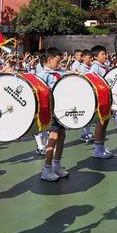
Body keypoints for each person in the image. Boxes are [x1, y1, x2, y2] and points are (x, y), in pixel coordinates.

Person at [37, 47, 69, 181]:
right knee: (54, 136)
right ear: (49, 60)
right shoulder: (44, 74)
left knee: (62, 136)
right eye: (57, 61)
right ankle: (46, 168)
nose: (60, 64)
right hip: (52, 110)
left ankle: (57, 165)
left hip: (61, 109)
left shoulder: (59, 72)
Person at [90, 45, 114, 159]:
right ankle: (97, 149)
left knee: (106, 122)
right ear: (95, 57)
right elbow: (93, 83)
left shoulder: (105, 66)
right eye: (102, 54)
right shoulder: (95, 68)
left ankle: (101, 147)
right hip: (101, 98)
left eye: (105, 53)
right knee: (101, 122)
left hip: (107, 97)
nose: (105, 56)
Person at [78, 50, 94, 143]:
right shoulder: (81, 68)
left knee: (88, 114)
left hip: (89, 93)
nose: (90, 60)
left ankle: (87, 132)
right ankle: (84, 133)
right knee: (85, 114)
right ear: (83, 58)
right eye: (89, 58)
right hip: (83, 93)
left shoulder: (89, 67)